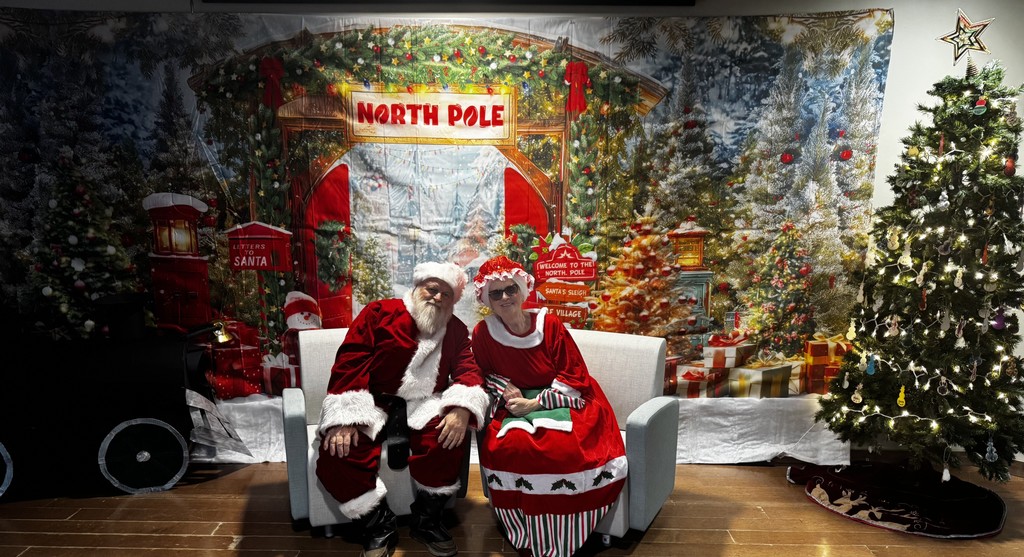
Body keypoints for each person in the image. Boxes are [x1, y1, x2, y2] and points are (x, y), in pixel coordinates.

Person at [316, 261, 490, 557]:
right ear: (417, 287)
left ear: (453, 301)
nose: (437, 297)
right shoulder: (379, 312)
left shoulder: (456, 330)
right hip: (374, 400)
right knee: (340, 451)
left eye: (446, 294)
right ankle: (378, 525)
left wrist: (462, 407)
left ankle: (427, 521)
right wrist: (345, 417)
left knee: (446, 439)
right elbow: (351, 359)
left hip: (424, 402)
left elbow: (468, 370)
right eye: (432, 289)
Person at [471, 256, 627, 557]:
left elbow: (574, 374)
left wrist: (535, 403)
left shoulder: (549, 325)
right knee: (511, 444)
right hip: (515, 403)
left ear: (521, 290)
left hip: (564, 397)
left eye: (510, 289)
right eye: (496, 293)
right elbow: (480, 372)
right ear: (487, 299)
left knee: (563, 447)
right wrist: (504, 387)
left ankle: (565, 533)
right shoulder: (483, 333)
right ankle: (528, 529)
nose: (505, 297)